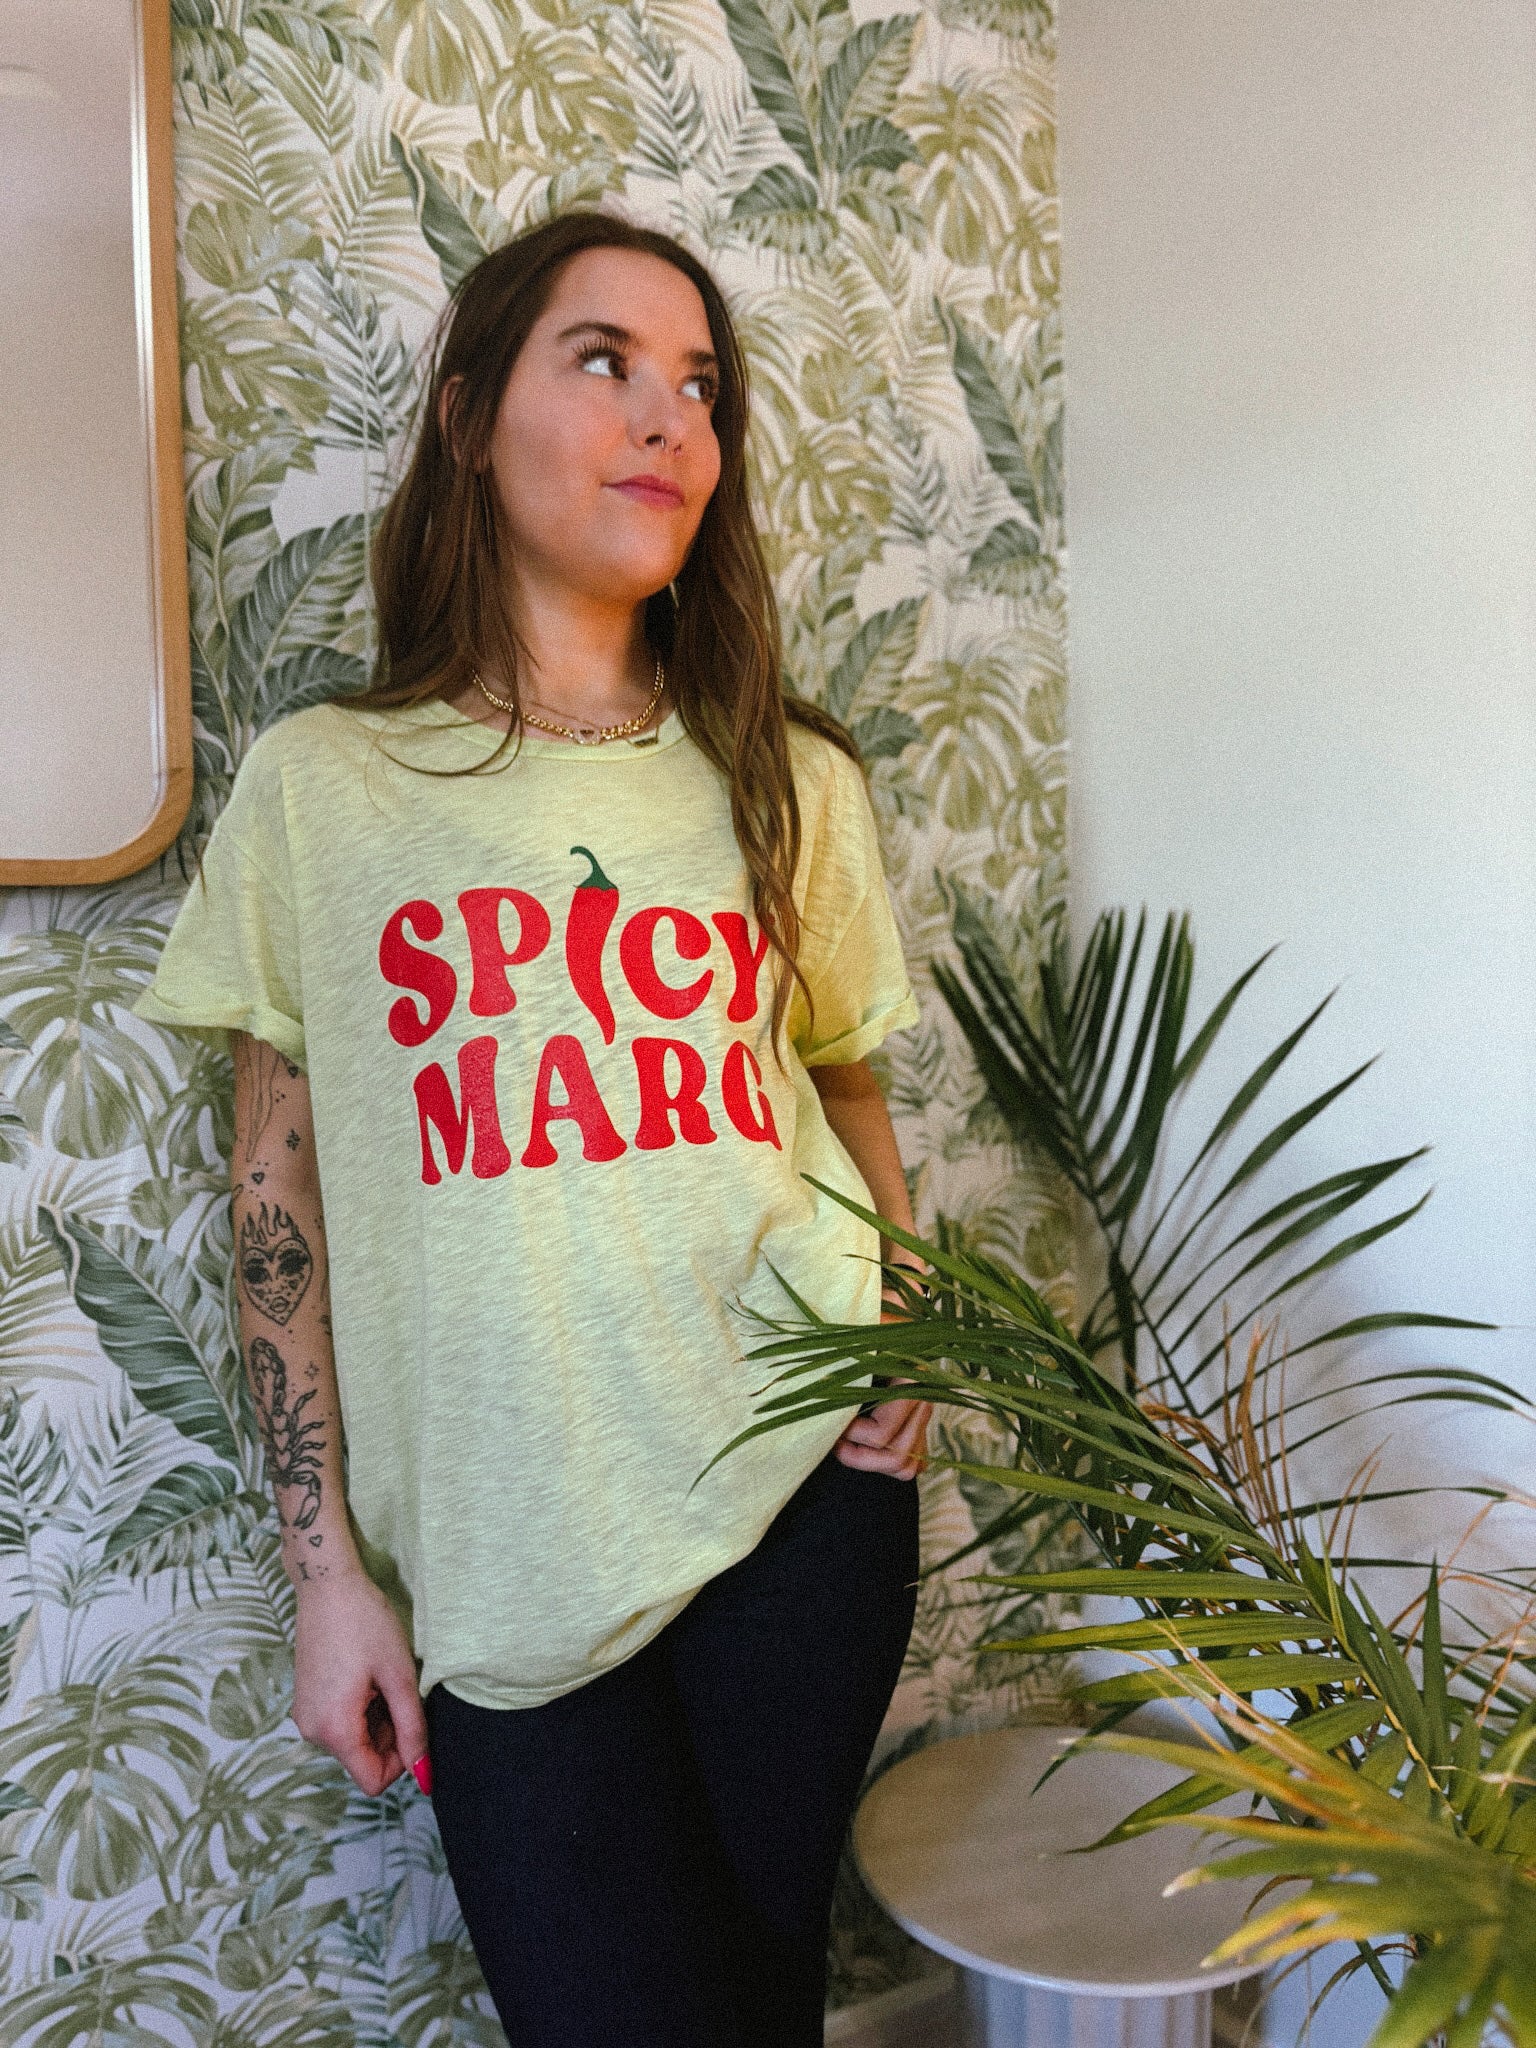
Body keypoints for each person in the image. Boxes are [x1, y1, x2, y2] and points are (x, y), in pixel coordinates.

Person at [132, 207, 932, 2048]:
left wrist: (905, 1325)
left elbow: (843, 1085)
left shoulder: (788, 777)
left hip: (801, 1503)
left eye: (701, 387)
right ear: (469, 413)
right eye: (604, 361)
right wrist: (327, 1580)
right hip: (500, 1551)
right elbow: (275, 1193)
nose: (668, 420)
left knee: (760, 2003)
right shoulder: (325, 788)